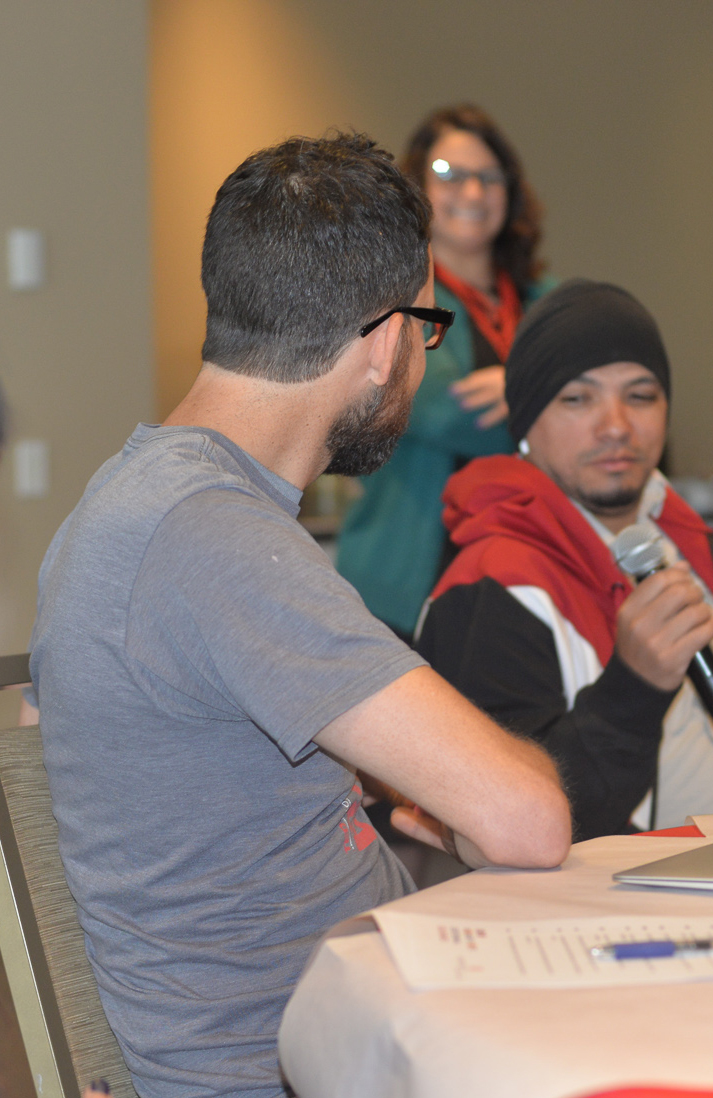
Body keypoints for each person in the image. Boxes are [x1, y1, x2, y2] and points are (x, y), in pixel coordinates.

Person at [26, 134, 571, 1098]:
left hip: (341, 1033)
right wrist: (464, 809)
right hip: (299, 1070)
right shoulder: (218, 540)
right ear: (384, 343)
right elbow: (526, 823)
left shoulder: (131, 501)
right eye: (426, 331)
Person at [415, 279, 713, 838]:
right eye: (577, 399)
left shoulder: (667, 528)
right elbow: (514, 823)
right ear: (525, 422)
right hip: (657, 881)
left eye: (641, 396)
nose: (616, 427)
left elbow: (694, 563)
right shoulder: (491, 590)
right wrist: (634, 687)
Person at [336, 104, 556, 637]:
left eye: (489, 177)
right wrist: (544, 393)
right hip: (407, 584)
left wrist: (514, 391)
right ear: (417, 188)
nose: (473, 192)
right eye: (449, 174)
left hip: (521, 574)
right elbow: (443, 412)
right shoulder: (392, 301)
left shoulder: (547, 302)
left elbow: (592, 407)